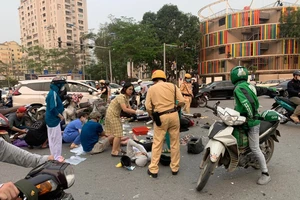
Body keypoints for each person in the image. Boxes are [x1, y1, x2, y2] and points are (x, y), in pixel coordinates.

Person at [230, 65, 271, 185]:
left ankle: (265, 173)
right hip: (244, 119)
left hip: (250, 121)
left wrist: (250, 117)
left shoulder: (238, 88)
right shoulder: (249, 86)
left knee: (255, 147)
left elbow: (247, 103)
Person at [145, 70, 185, 178]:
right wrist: (177, 108)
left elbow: (148, 106)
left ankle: (153, 169)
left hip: (161, 117)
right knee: (174, 143)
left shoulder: (152, 89)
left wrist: (152, 116)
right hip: (174, 115)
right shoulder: (173, 86)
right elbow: (181, 101)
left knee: (157, 143)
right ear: (164, 78)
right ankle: (175, 168)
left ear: (154, 79)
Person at [105, 82, 144, 157]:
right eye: (129, 89)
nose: (131, 91)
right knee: (118, 134)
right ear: (125, 89)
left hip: (114, 114)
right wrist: (136, 112)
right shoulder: (121, 97)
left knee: (119, 133)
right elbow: (125, 109)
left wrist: (136, 112)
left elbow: (129, 108)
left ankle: (118, 149)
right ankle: (114, 151)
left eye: (132, 89)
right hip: (112, 115)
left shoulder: (126, 97)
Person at [45, 76, 66, 162]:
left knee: (52, 139)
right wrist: (60, 116)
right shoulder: (53, 93)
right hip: (53, 119)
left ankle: (54, 156)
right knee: (56, 139)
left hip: (50, 119)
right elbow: (53, 108)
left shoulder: (52, 92)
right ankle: (57, 158)